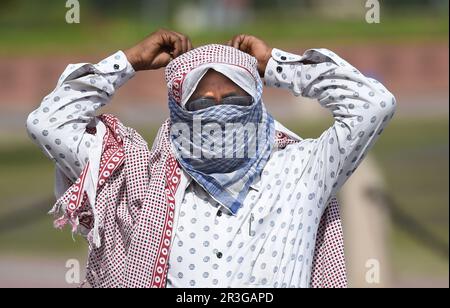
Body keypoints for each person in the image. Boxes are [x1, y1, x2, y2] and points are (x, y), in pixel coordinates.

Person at [26, 29, 396, 288]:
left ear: (257, 98)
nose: (219, 112)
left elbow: (373, 105)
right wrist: (130, 61)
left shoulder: (302, 170)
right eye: (201, 103)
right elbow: (48, 123)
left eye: (235, 99)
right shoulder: (140, 177)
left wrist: (275, 65)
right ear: (178, 109)